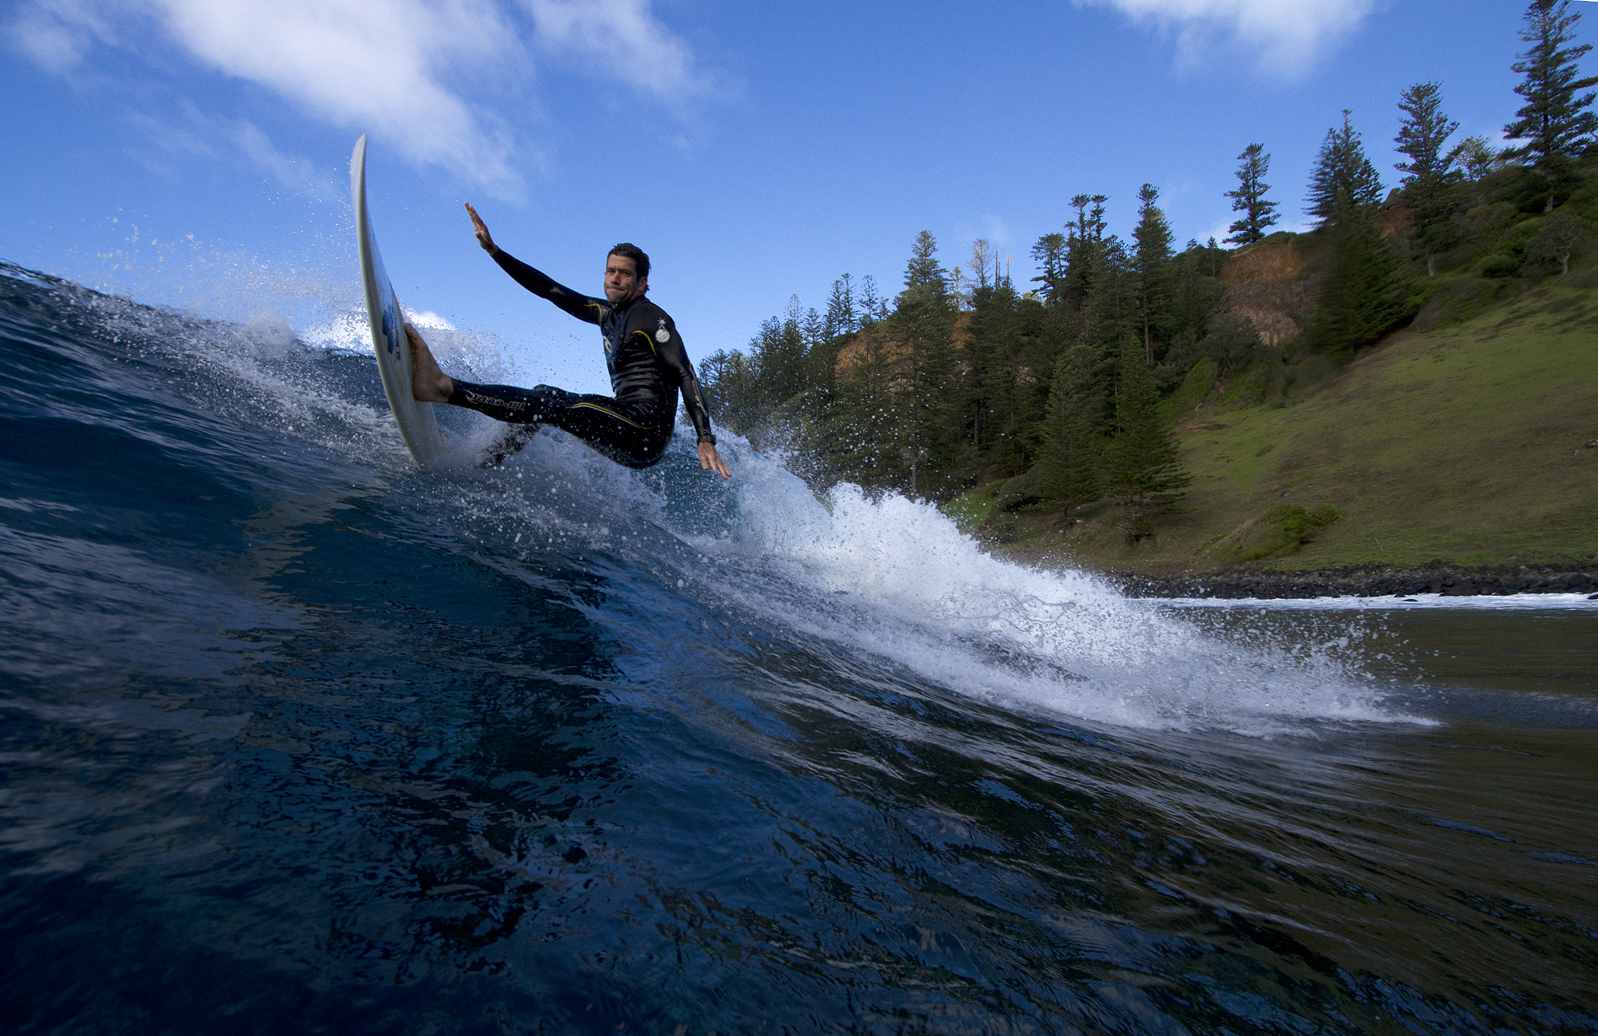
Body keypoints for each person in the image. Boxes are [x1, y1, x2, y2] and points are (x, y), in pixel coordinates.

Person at [407, 203, 731, 479]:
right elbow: (550, 289)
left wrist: (705, 436)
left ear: (642, 282)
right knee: (545, 397)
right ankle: (483, 464)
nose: (615, 277)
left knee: (552, 404)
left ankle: (442, 386)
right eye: (610, 271)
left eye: (625, 273)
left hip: (644, 431)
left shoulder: (650, 317)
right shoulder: (605, 313)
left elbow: (684, 373)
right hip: (625, 422)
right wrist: (494, 251)